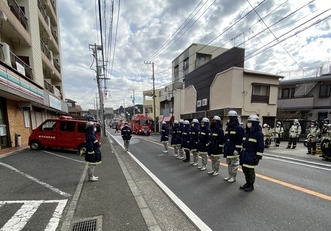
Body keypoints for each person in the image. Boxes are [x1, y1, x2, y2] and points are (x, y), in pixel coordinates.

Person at [239, 114, 264, 192]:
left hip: (252, 156)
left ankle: (251, 184)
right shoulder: (247, 132)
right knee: (245, 170)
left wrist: (258, 157)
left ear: (255, 123)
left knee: (250, 171)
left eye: (250, 121)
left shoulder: (259, 134)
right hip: (245, 154)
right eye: (248, 121)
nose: (248, 123)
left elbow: (260, 147)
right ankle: (247, 183)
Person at [223, 110, 243, 183]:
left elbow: (239, 140)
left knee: (234, 164)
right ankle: (229, 175)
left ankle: (233, 177)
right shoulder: (228, 127)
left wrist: (237, 149)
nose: (228, 119)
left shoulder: (238, 128)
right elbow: (226, 138)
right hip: (228, 148)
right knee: (229, 163)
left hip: (234, 149)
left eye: (229, 117)